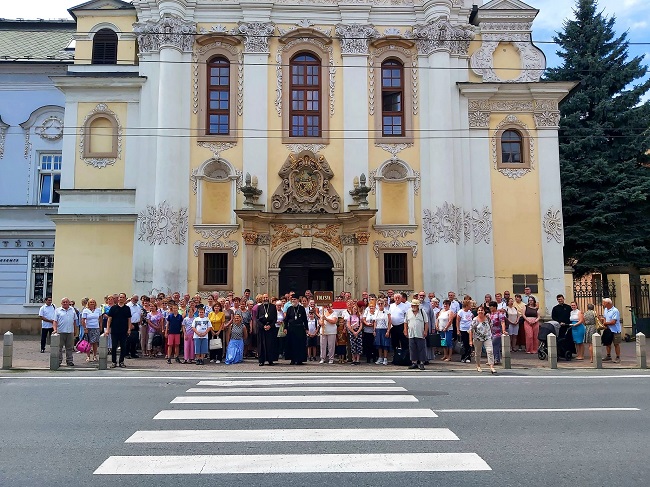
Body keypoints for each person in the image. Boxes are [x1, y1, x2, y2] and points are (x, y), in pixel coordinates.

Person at [105, 292, 132, 369]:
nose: (121, 299)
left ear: (125, 299)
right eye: (120, 297)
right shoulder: (113, 308)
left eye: (123, 297)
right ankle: (114, 362)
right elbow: (109, 319)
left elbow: (129, 319)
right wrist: (107, 329)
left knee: (123, 347)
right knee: (114, 347)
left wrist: (129, 329)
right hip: (114, 330)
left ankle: (121, 361)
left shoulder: (127, 308)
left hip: (124, 331)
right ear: (118, 298)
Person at [470, 305, 497, 374]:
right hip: (477, 338)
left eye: (481, 310)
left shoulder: (488, 318)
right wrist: (470, 340)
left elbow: (491, 326)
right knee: (478, 353)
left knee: (490, 351)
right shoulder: (475, 320)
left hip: (487, 337)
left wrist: (490, 334)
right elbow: (471, 330)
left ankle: (491, 366)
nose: (480, 311)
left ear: (484, 311)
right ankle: (478, 366)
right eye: (479, 310)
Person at [52, 297, 79, 367]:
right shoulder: (58, 310)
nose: (65, 303)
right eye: (63, 302)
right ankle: (58, 361)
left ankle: (69, 361)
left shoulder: (72, 310)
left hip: (70, 331)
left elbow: (75, 321)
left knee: (69, 348)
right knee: (59, 348)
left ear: (69, 303)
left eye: (66, 302)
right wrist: (55, 330)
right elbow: (55, 321)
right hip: (60, 331)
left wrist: (75, 330)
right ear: (61, 303)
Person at [284, 295, 308, 365]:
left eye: (295, 299)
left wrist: (306, 328)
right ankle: (293, 359)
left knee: (299, 345)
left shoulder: (301, 308)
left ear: (297, 300)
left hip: (300, 329)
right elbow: (286, 320)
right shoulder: (289, 309)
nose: (293, 301)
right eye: (292, 299)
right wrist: (285, 328)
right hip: (291, 329)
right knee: (292, 344)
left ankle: (299, 359)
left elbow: (305, 319)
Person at [406, 299, 428, 370]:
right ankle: (414, 362)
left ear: (418, 306)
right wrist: (405, 330)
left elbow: (426, 322)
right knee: (412, 348)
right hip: (411, 333)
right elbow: (405, 322)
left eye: (415, 305)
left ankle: (421, 363)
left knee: (421, 348)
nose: (413, 306)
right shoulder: (408, 312)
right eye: (412, 305)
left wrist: (425, 331)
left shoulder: (422, 312)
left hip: (420, 333)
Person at [256, 294, 278, 366]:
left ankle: (270, 360)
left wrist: (270, 326)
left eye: (266, 297)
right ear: (262, 299)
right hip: (262, 329)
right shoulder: (259, 307)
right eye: (264, 297)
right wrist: (263, 326)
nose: (265, 299)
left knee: (270, 345)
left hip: (270, 328)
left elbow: (275, 318)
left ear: (268, 298)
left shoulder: (273, 307)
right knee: (261, 345)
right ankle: (261, 361)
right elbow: (257, 319)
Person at [602, 298, 622, 363]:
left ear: (608, 303)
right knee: (607, 343)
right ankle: (608, 355)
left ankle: (618, 357)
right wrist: (605, 323)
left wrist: (605, 323)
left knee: (616, 343)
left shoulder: (615, 310)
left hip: (615, 329)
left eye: (604, 302)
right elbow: (604, 317)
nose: (603, 304)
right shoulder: (605, 309)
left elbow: (613, 322)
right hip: (608, 329)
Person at [456, 299, 474, 363]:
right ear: (466, 305)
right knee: (464, 344)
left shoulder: (469, 312)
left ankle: (468, 357)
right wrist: (458, 330)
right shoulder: (460, 312)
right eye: (470, 305)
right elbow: (457, 321)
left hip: (469, 330)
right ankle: (463, 357)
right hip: (463, 329)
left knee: (469, 344)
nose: (471, 306)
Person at [373, 299, 390, 365]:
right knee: (379, 344)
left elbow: (389, 322)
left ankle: (385, 358)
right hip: (378, 329)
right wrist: (374, 330)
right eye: (379, 304)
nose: (380, 305)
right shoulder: (376, 312)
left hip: (384, 329)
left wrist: (388, 331)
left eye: (381, 303)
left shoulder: (387, 312)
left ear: (384, 304)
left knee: (385, 344)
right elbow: (375, 322)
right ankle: (380, 358)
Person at [126, 295, 142, 359]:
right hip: (130, 323)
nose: (136, 301)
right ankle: (126, 353)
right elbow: (126, 316)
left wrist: (139, 321)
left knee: (134, 340)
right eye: (135, 299)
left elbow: (139, 314)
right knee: (128, 340)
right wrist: (129, 324)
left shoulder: (138, 306)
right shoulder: (128, 306)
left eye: (137, 300)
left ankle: (133, 353)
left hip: (136, 324)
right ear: (132, 299)